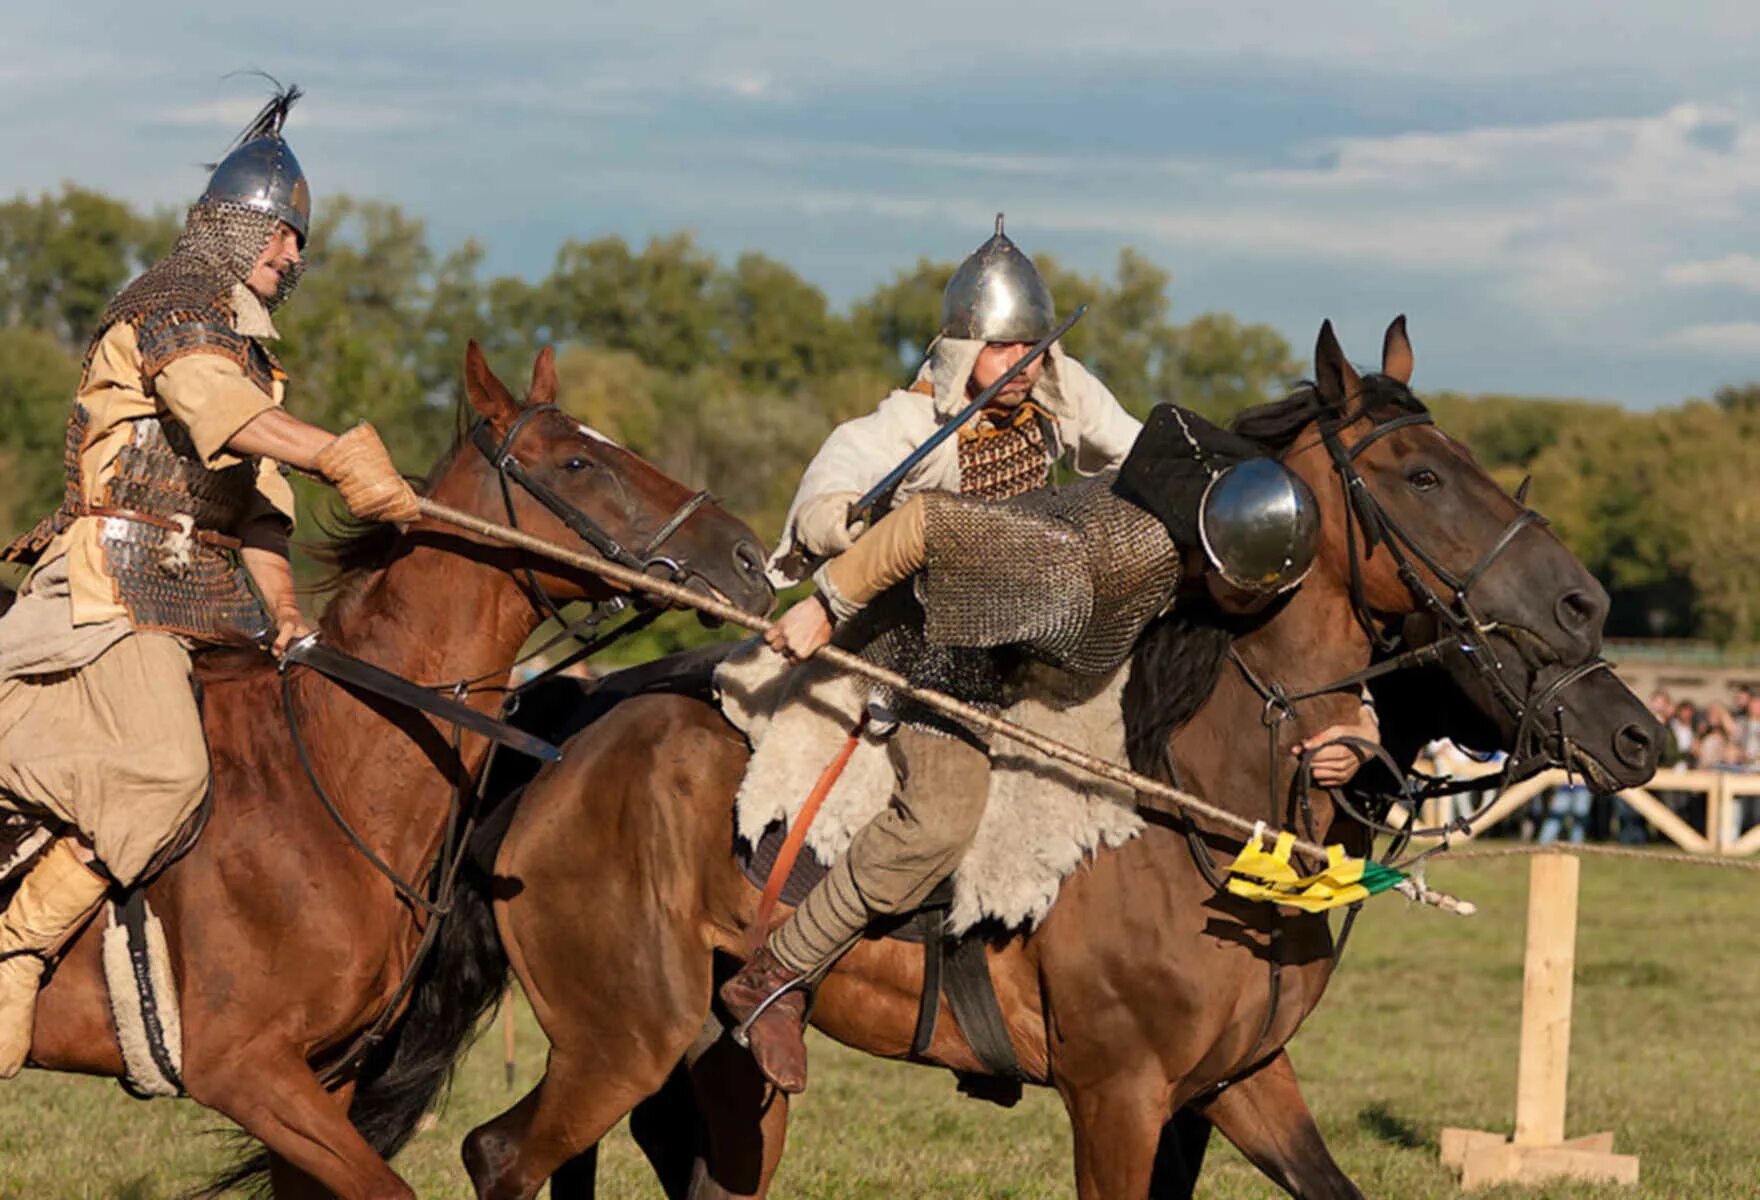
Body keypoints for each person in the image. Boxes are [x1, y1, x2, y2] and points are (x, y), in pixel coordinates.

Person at [720, 403, 1380, 1095]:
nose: (1253, 608)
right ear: (1206, 556)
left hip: (1047, 666)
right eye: (1245, 596)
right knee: (938, 822)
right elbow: (925, 524)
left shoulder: (1231, 514)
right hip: (946, 648)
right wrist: (826, 606)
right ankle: (777, 976)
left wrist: (1360, 727)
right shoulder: (1085, 564)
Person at [0, 84, 421, 1076]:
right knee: (165, 773)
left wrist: (287, 616)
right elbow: (217, 414)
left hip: (194, 599)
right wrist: (342, 454)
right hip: (109, 585)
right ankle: (16, 942)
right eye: (279, 235)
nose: (292, 256)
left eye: (298, 242)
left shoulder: (249, 358)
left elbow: (258, 510)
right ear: (228, 231)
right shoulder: (173, 308)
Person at [767, 215, 1143, 586]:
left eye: (1031, 346)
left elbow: (1139, 452)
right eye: (998, 346)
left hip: (1029, 587)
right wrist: (827, 508)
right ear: (963, 353)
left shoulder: (1060, 391)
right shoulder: (916, 419)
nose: (1020, 363)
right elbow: (848, 457)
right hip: (918, 609)